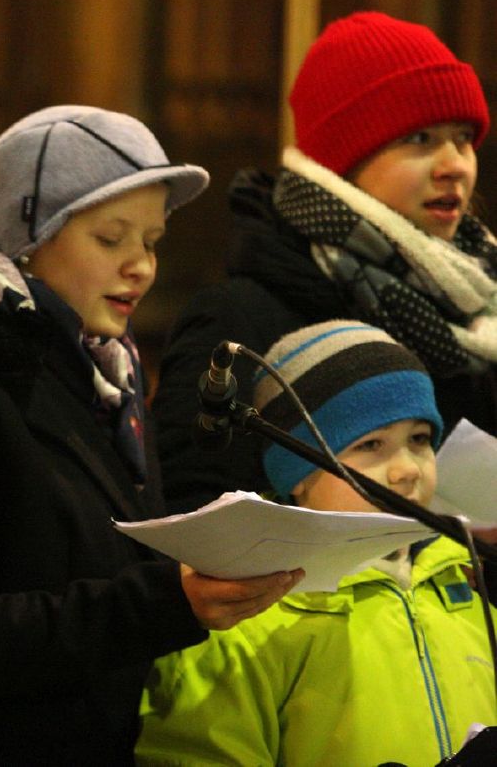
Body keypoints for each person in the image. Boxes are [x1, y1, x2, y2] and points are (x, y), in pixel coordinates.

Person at [0, 105, 302, 766]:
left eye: (151, 241)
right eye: (111, 239)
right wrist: (168, 601)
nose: (142, 267)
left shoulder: (110, 382)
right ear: (26, 239)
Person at [154, 11, 497, 514]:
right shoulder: (241, 320)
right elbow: (197, 515)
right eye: (420, 139)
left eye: (463, 137)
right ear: (343, 161)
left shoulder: (476, 307)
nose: (455, 166)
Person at [138, 320, 497, 766]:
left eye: (419, 439)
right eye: (370, 445)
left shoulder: (463, 583)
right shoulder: (241, 612)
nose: (407, 469)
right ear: (298, 474)